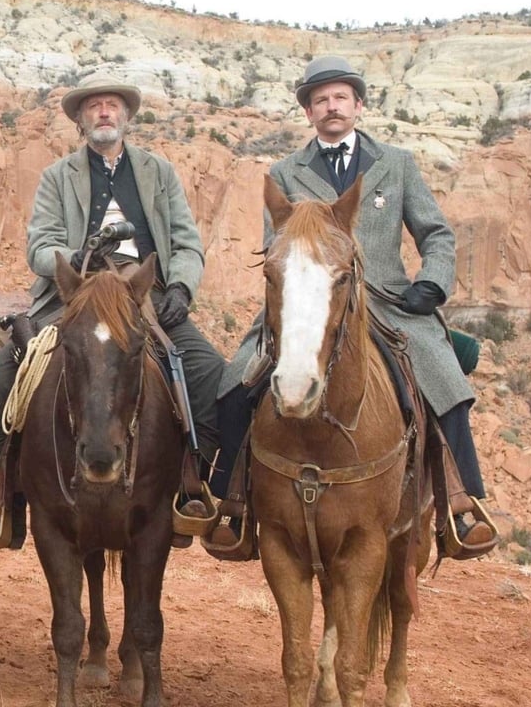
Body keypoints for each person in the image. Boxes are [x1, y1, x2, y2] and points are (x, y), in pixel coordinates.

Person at [209, 55, 494, 549]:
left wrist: (433, 282)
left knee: (445, 378)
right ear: (308, 113)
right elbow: (275, 248)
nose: (331, 107)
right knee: (236, 381)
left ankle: (460, 504)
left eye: (340, 97)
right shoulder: (284, 173)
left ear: (358, 105)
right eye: (320, 100)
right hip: (307, 302)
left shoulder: (397, 164)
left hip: (387, 301)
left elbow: (437, 233)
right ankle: (233, 505)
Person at [0, 74, 225, 542]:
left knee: (212, 373)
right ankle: (8, 497)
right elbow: (39, 247)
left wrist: (182, 290)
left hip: (144, 296)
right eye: (94, 107)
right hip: (78, 294)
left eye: (112, 105)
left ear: (126, 117)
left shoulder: (159, 172)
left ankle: (193, 487)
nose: (104, 112)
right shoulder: (56, 176)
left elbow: (188, 244)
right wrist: (77, 256)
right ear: (81, 120)